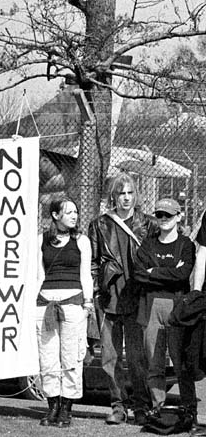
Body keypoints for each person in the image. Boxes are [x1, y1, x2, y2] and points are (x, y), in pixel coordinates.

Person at [89, 173, 151, 424]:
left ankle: (141, 407)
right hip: (109, 298)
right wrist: (95, 292)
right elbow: (93, 262)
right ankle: (117, 405)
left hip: (137, 298)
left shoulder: (147, 224)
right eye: (121, 193)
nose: (126, 198)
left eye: (130, 193)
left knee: (137, 357)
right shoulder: (100, 224)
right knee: (110, 358)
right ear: (113, 196)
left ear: (136, 196)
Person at [133, 198, 199, 429]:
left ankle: (190, 410)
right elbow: (139, 274)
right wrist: (166, 272)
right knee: (154, 362)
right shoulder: (148, 245)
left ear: (179, 217)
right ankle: (157, 408)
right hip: (151, 306)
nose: (163, 220)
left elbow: (183, 275)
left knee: (181, 363)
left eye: (168, 216)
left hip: (177, 308)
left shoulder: (186, 245)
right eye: (159, 215)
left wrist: (154, 271)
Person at [35, 198, 93, 427]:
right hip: (45, 304)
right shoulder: (42, 240)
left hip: (73, 304)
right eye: (68, 212)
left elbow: (86, 274)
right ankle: (52, 407)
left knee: (71, 357)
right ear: (55, 215)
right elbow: (38, 274)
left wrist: (87, 303)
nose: (74, 216)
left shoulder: (82, 241)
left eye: (76, 212)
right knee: (48, 358)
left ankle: (67, 409)